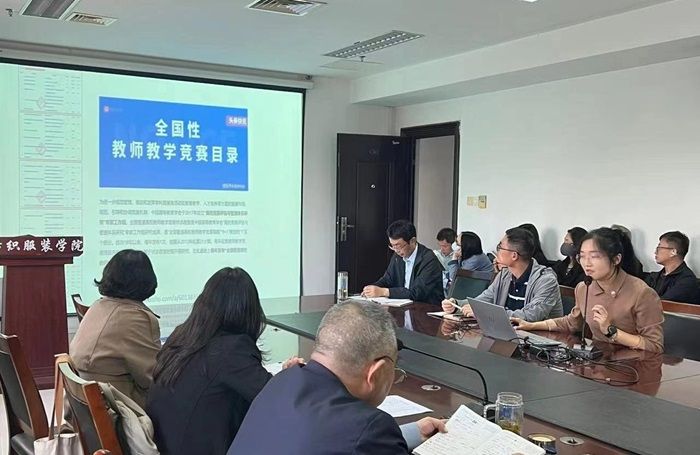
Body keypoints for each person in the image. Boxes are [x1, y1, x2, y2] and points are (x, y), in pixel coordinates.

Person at [228, 301, 446, 454]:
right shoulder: (371, 428)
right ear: (376, 372)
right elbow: (355, 438)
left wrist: (409, 433)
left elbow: (327, 440)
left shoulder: (281, 382)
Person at [146, 267, 302, 454]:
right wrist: (291, 377)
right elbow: (273, 399)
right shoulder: (232, 349)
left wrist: (282, 377)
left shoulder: (183, 335)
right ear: (249, 310)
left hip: (166, 445)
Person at [514, 228, 664, 353]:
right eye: (582, 256)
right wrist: (531, 325)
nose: (586, 263)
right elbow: (572, 323)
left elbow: (654, 345)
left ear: (616, 259)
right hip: (598, 362)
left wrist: (611, 331)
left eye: (594, 256)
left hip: (635, 366)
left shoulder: (642, 293)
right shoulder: (584, 287)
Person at [70, 249, 160, 407]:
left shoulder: (98, 306)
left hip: (89, 403)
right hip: (119, 407)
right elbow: (152, 378)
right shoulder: (137, 318)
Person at [442, 227, 563, 321]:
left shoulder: (546, 280)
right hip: (508, 335)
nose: (497, 250)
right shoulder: (504, 275)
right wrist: (456, 304)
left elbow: (530, 315)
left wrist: (485, 313)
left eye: (500, 247)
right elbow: (483, 300)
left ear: (514, 255)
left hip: (539, 341)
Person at [363, 220, 444, 304]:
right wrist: (372, 288)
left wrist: (383, 292)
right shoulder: (398, 256)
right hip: (404, 306)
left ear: (412, 241)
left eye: (398, 246)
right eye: (392, 246)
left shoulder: (429, 259)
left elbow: (417, 292)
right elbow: (387, 279)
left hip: (426, 307)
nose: (396, 250)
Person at [645, 231, 700, 304]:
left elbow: (663, 304)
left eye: (659, 248)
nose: (655, 252)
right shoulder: (654, 277)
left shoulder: (686, 281)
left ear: (673, 252)